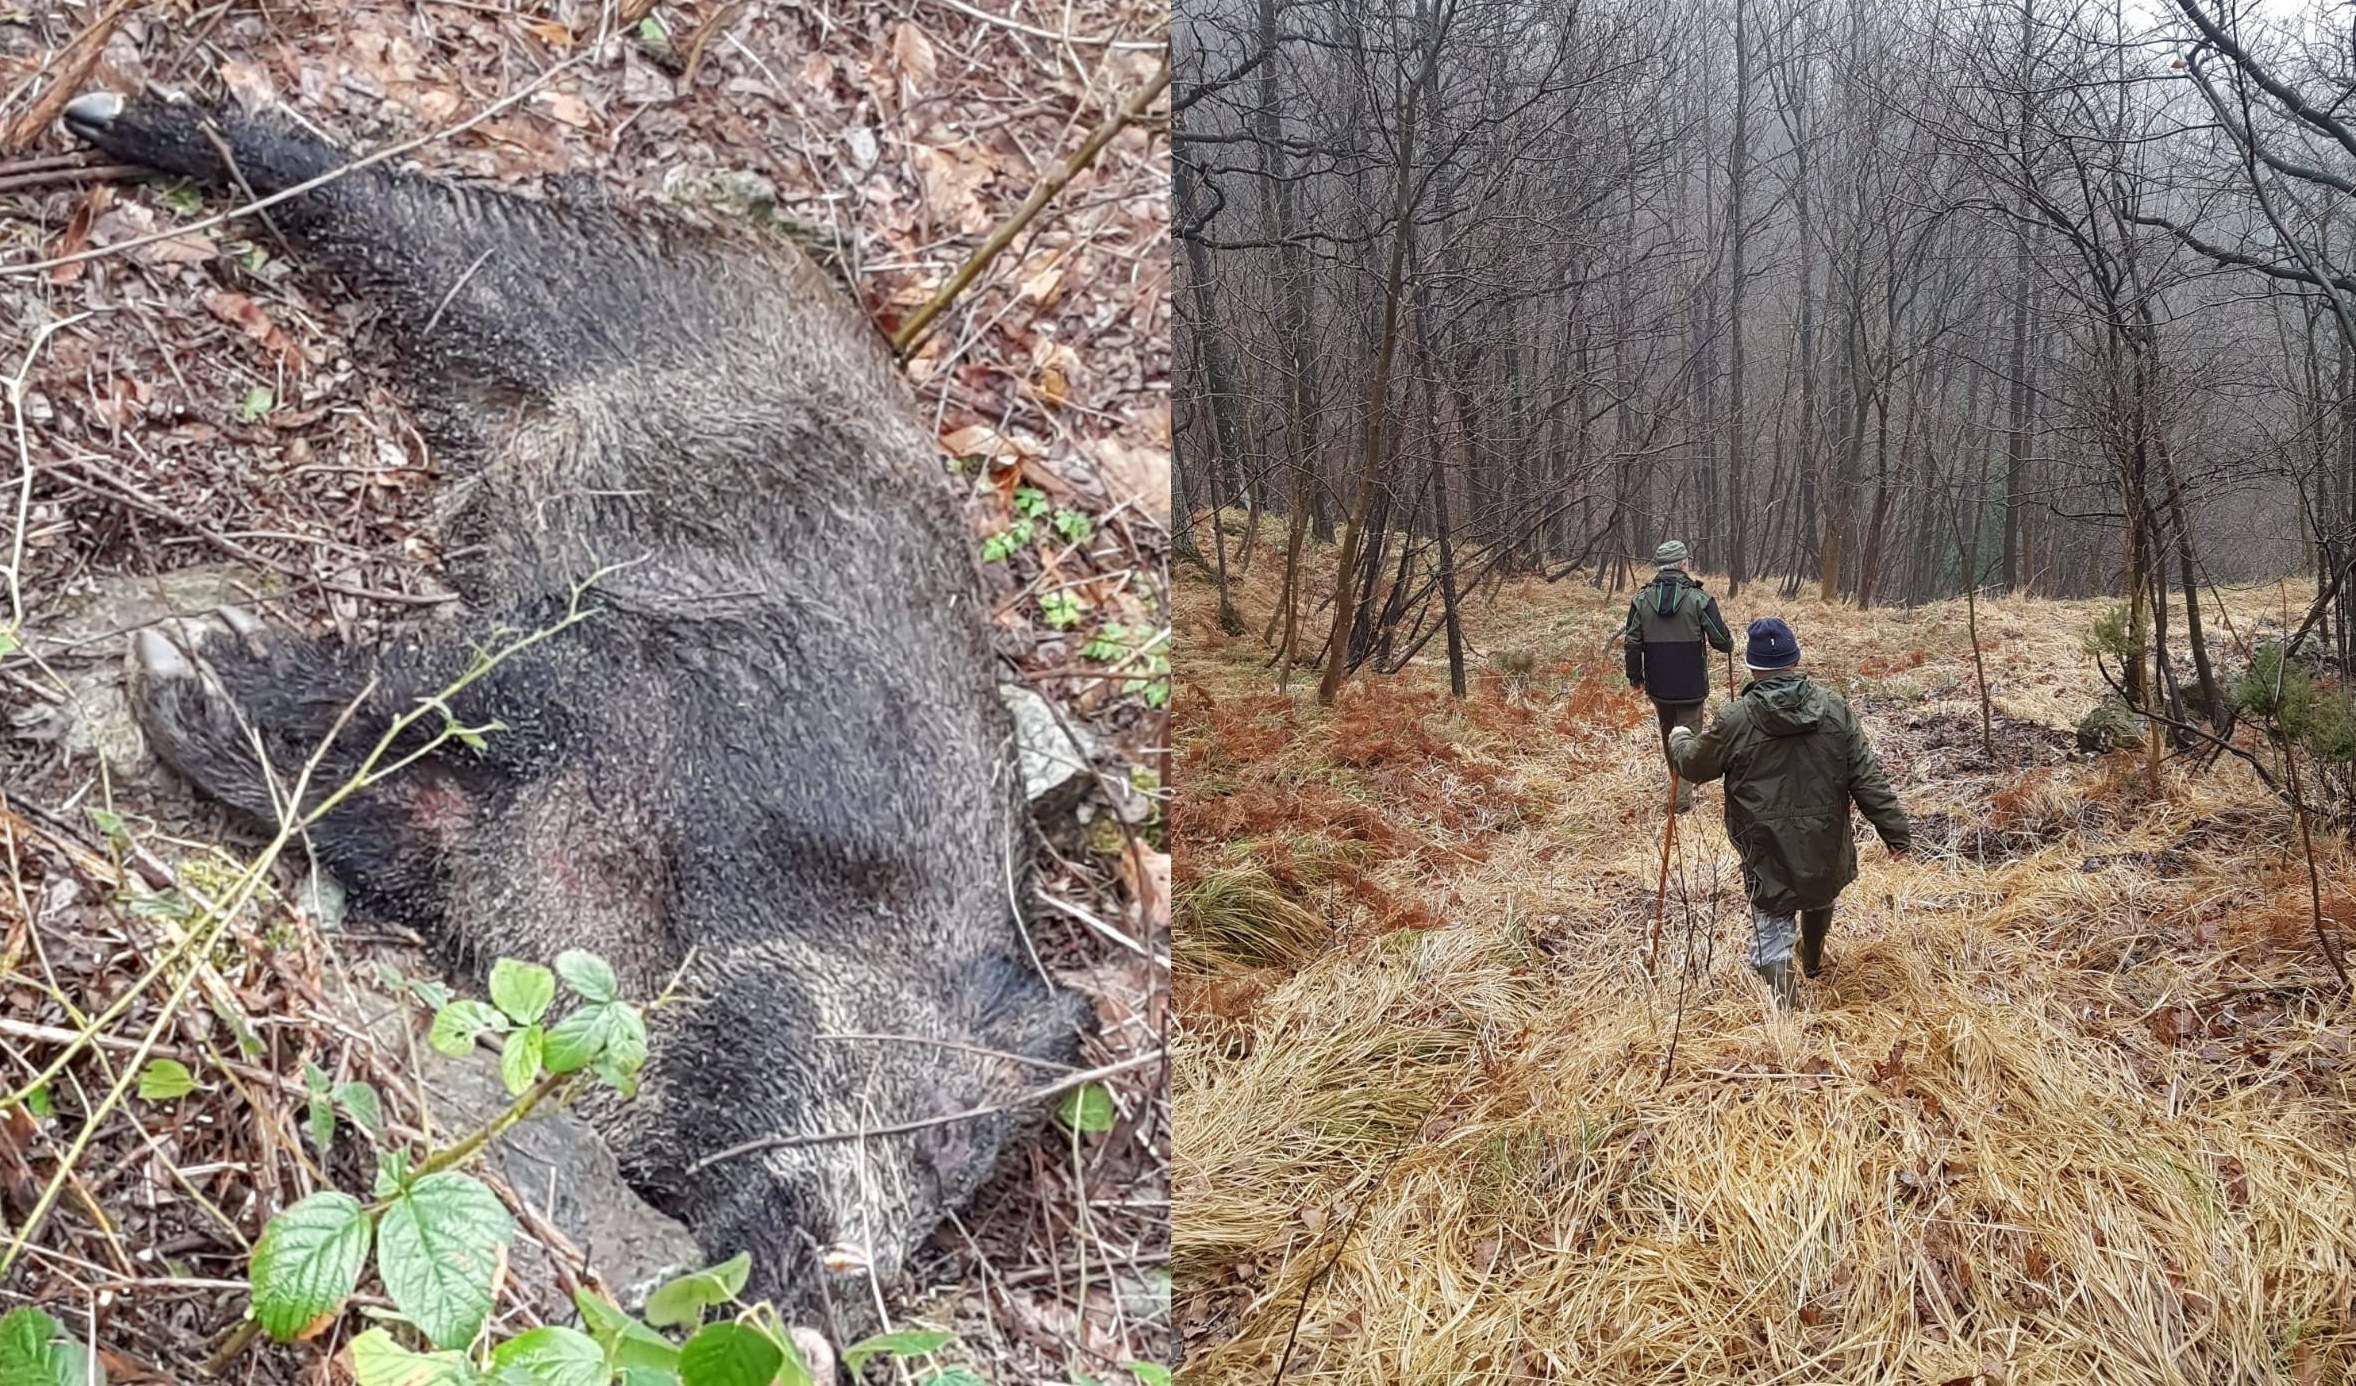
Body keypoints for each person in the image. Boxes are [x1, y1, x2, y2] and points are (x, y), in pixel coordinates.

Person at [1667, 617, 1911, 1007]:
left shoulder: (1737, 719)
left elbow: (1694, 767)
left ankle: (1789, 1011)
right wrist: (1895, 834)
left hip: (1767, 847)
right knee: (1819, 894)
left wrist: (1679, 740)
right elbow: (1866, 777)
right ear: (1795, 660)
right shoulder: (1834, 709)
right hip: (1825, 839)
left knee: (1771, 924)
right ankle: (1812, 962)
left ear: (1751, 666)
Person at [1623, 540, 1733, 813]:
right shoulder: (1700, 599)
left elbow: (1632, 643)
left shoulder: (1641, 600)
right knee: (1689, 740)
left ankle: (1678, 785)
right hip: (1691, 685)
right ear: (1683, 564)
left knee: (1669, 735)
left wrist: (1635, 676)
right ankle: (1681, 802)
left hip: (1659, 685)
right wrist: (1729, 642)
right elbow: (1721, 641)